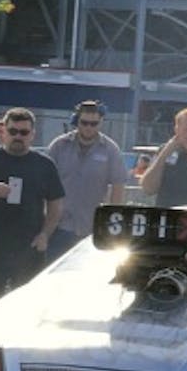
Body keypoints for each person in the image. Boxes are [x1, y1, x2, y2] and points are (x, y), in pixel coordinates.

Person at [0, 107, 64, 328]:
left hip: (29, 249)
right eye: (13, 131)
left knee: (27, 313)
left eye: (24, 132)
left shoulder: (44, 164)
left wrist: (45, 235)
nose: (18, 136)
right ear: (3, 132)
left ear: (32, 134)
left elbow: (56, 204)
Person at [46, 100, 127, 261]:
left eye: (94, 123)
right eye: (84, 123)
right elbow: (44, 183)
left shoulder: (111, 150)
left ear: (100, 123)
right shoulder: (59, 146)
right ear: (77, 121)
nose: (89, 127)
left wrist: (111, 226)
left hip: (92, 230)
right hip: (60, 228)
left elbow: (118, 187)